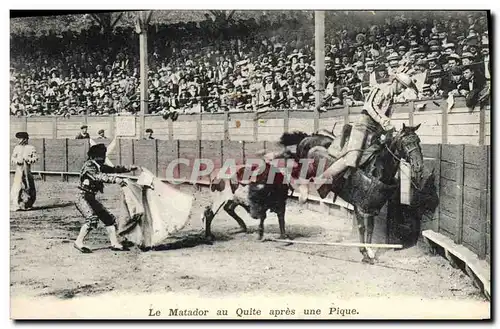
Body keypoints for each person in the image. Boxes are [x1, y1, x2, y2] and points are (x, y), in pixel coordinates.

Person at [304, 73, 419, 199]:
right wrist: (384, 121)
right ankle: (321, 180)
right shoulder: (379, 89)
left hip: (376, 131)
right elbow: (370, 107)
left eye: (404, 88)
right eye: (402, 86)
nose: (402, 90)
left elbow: (386, 118)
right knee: (352, 158)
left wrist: (386, 130)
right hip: (362, 126)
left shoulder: (391, 99)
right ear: (395, 82)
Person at [74, 143, 137, 253]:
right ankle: (78, 242)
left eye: (103, 155)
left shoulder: (97, 165)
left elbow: (113, 169)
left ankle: (114, 243)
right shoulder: (89, 165)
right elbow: (98, 176)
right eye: (101, 156)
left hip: (90, 197)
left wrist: (129, 168)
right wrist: (116, 180)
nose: (103, 158)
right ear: (94, 157)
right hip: (82, 197)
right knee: (92, 219)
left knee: (108, 219)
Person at [10, 132, 38, 211]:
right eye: (18, 138)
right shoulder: (16, 148)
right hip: (18, 170)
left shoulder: (31, 148)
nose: (18, 140)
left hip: (27, 171)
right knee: (17, 187)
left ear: (25, 139)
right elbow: (12, 158)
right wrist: (16, 161)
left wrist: (28, 160)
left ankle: (28, 204)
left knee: (29, 187)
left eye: (20, 138)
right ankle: (16, 205)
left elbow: (35, 158)